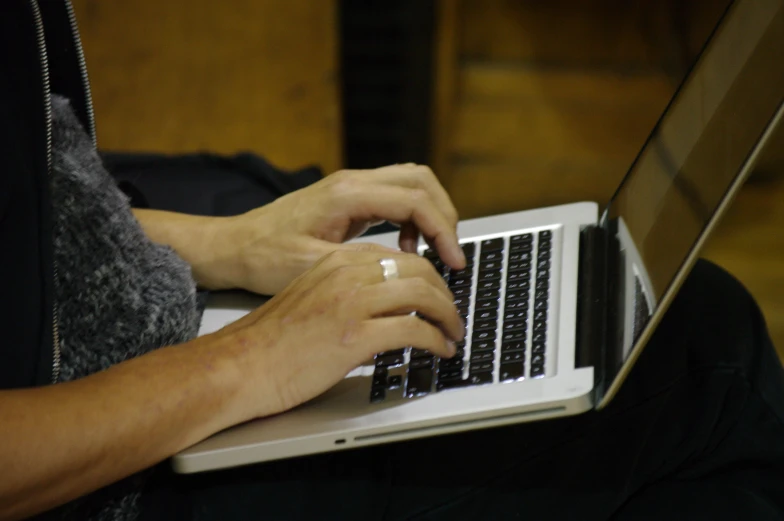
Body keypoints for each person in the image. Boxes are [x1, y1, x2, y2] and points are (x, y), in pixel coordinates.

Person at [1, 2, 783, 520]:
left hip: (109, 299)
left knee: (275, 189)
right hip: (102, 480)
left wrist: (229, 242)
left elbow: (43, 191)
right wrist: (250, 360)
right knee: (708, 363)